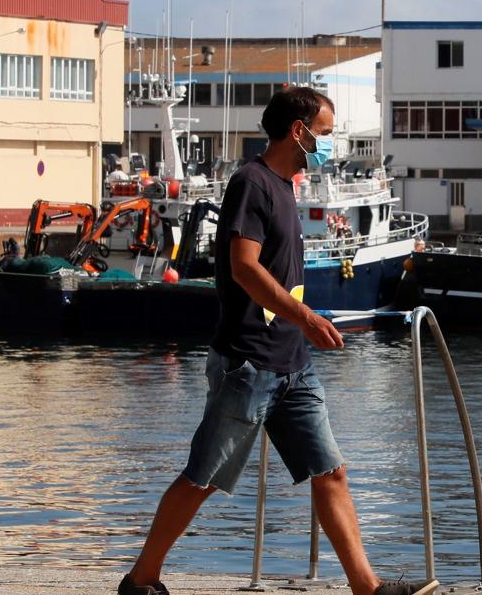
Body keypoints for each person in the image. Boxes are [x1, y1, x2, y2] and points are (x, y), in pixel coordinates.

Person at [119, 87, 434, 595]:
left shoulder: (286, 186)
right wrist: (307, 316)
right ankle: (141, 579)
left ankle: (368, 589)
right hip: (249, 362)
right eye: (326, 134)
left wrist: (301, 329)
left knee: (330, 472)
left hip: (292, 363)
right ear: (299, 131)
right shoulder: (253, 183)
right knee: (203, 476)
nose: (329, 145)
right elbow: (245, 268)